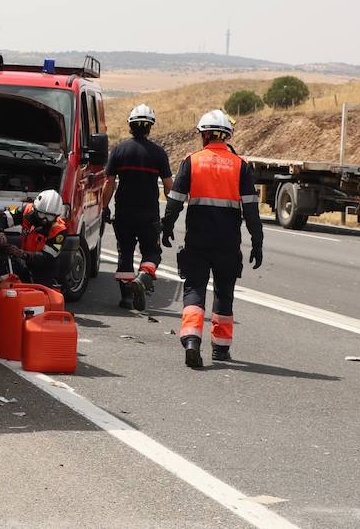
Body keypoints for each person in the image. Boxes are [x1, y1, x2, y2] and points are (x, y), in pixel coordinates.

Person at [159, 110, 264, 368]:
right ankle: (220, 349)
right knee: (224, 292)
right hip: (228, 242)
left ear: (204, 135)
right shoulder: (240, 166)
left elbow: (175, 201)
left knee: (194, 288)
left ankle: (192, 341)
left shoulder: (192, 161)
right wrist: (257, 241)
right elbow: (251, 209)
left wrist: (167, 226)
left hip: (197, 240)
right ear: (227, 136)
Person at [103, 104, 173, 311]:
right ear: (150, 127)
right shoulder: (159, 154)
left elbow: (109, 183)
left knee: (125, 253)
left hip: (124, 213)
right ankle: (143, 278)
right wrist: (171, 212)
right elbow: (169, 188)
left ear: (130, 126)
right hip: (149, 215)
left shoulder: (119, 150)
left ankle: (126, 299)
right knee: (152, 252)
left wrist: (105, 206)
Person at [0, 189, 68, 289]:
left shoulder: (59, 230)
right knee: (0, 265)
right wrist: (0, 233)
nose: (44, 220)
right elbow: (1, 219)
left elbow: (47, 258)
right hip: (24, 261)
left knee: (39, 296)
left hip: (44, 270)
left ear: (56, 216)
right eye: (41, 214)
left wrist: (21, 253)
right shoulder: (26, 211)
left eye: (49, 217)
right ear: (35, 209)